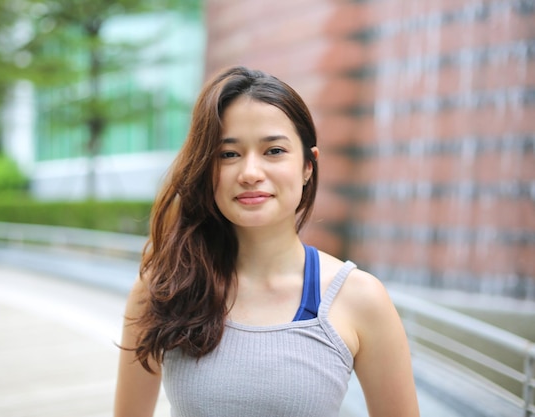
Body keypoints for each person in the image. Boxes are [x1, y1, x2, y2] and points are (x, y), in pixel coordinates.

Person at [114, 66, 420, 417]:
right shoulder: (164, 287)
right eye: (228, 154)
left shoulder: (359, 298)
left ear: (308, 166)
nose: (250, 173)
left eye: (273, 151)